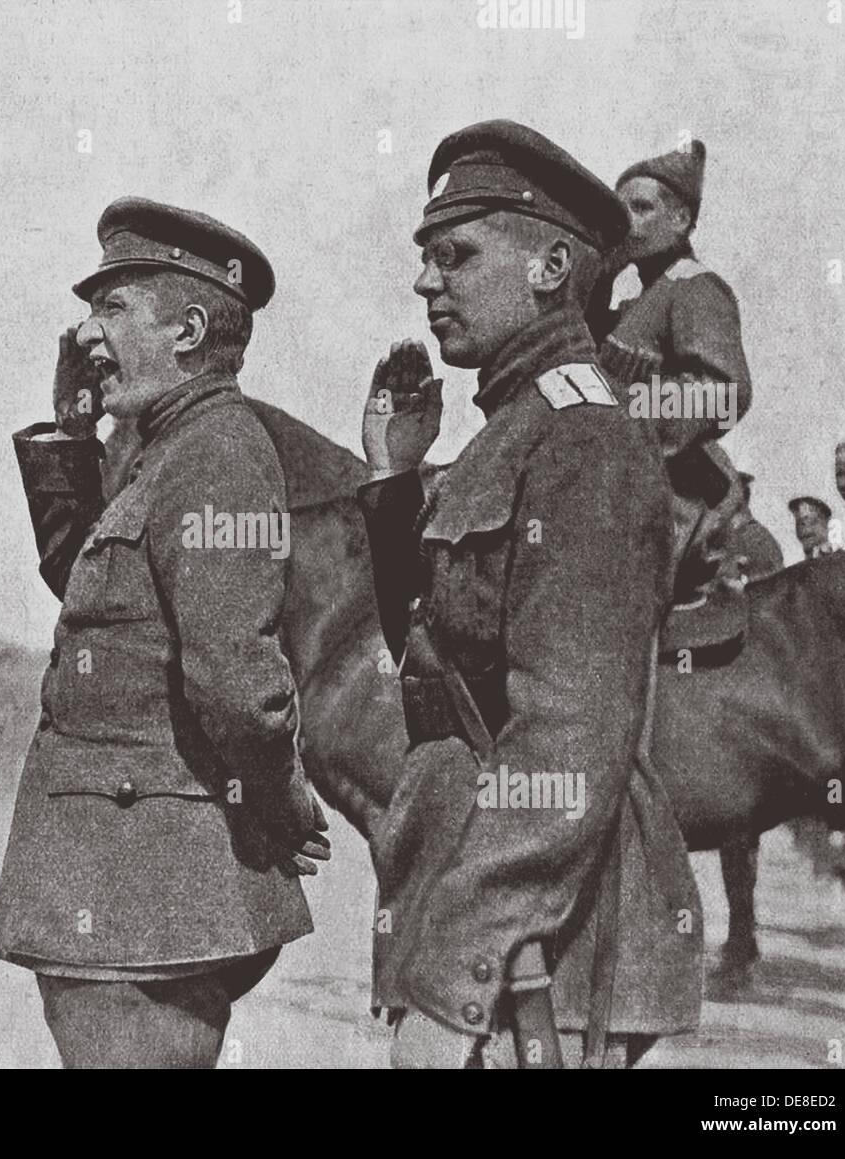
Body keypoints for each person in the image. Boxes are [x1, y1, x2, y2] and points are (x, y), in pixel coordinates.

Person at [357, 121, 701, 1069]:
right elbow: (434, 670)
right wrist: (394, 480)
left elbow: (569, 737)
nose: (428, 282)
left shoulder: (583, 438)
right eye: (427, 260)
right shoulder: (513, 431)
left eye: (454, 256)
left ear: (553, 265)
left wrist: (459, 966)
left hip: (546, 947)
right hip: (488, 909)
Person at [0, 197, 329, 1068]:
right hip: (122, 869)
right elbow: (103, 614)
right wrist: (70, 436)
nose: (87, 332)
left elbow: (235, 676)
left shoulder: (217, 450)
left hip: (151, 880)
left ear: (189, 328)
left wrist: (279, 795)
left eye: (113, 307)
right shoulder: (165, 445)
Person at [590, 139, 752, 603]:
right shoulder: (634, 304)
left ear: (681, 219)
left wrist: (629, 408)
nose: (628, 224)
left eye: (641, 209)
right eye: (621, 213)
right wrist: (601, 276)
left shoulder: (694, 287)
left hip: (674, 504)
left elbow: (724, 391)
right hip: (620, 488)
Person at [716, 472, 784, 589]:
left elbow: (775, 583)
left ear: (739, 499)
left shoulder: (759, 537)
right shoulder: (724, 535)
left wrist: (741, 580)